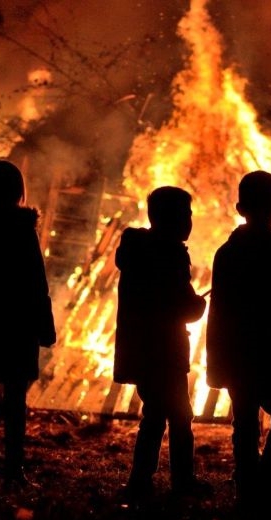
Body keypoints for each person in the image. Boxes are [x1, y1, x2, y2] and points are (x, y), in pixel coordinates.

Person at [206, 171, 271, 515]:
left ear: (240, 208)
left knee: (247, 421)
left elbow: (219, 312)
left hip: (242, 355)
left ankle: (250, 479)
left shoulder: (228, 254)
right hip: (270, 353)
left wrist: (218, 361)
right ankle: (268, 477)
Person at [0, 160, 56, 492]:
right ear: (18, 192)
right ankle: (13, 470)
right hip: (17, 324)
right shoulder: (22, 230)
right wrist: (43, 325)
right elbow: (36, 282)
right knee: (15, 400)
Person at [114, 185, 209, 501]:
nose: (190, 221)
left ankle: (143, 481)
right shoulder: (169, 255)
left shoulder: (138, 251)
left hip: (142, 351)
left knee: (156, 415)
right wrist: (199, 305)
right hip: (165, 352)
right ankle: (175, 482)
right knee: (177, 417)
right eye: (187, 214)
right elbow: (180, 306)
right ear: (174, 218)